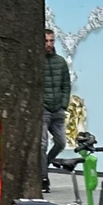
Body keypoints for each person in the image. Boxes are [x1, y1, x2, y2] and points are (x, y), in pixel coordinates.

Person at [42, 28, 72, 177]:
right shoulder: (37, 62)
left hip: (57, 108)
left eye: (51, 40)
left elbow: (66, 85)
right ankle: (43, 177)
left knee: (61, 143)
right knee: (42, 144)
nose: (49, 44)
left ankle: (45, 164)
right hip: (44, 109)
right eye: (46, 40)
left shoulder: (60, 62)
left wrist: (63, 104)